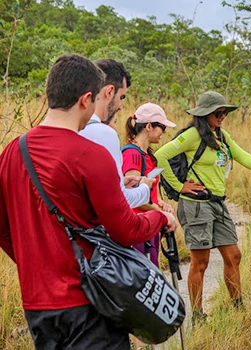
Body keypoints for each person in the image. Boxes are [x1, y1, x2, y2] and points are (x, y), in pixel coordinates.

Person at [0, 54, 179, 349]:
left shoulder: (10, 153)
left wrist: (37, 268)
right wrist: (161, 218)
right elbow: (126, 229)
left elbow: (4, 230)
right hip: (88, 302)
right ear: (86, 99)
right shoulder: (90, 155)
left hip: (38, 306)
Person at [155, 91, 251, 322]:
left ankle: (238, 308)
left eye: (225, 113)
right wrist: (180, 187)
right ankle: (198, 316)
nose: (222, 117)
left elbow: (243, 156)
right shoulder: (191, 135)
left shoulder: (221, 135)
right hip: (197, 206)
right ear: (204, 114)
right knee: (201, 261)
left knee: (233, 255)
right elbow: (159, 156)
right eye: (218, 113)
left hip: (218, 203)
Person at [79, 58, 153, 208]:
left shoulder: (74, 125)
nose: (120, 106)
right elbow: (119, 201)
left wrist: (119, 182)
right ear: (109, 91)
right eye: (121, 97)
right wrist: (145, 187)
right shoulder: (105, 134)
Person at [122, 103, 176, 266]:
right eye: (161, 127)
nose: (164, 132)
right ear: (149, 126)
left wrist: (161, 204)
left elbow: (149, 194)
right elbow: (133, 196)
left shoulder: (146, 154)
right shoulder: (132, 154)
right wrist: (162, 215)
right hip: (138, 226)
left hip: (148, 225)